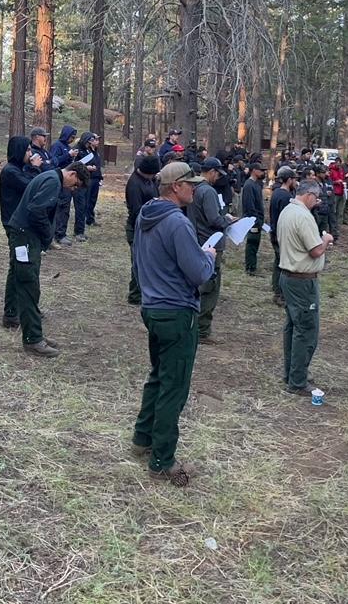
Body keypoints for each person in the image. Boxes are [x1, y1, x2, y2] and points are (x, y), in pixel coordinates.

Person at [130, 162, 216, 487]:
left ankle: (142, 438)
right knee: (174, 386)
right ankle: (162, 461)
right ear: (175, 187)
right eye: (191, 183)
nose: (195, 188)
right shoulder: (178, 223)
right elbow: (198, 273)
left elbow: (138, 261)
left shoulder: (146, 215)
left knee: (158, 375)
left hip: (152, 307)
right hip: (177, 312)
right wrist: (208, 255)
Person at [8, 162, 86, 356]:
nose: (73, 188)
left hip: (22, 234)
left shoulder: (50, 176)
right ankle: (33, 339)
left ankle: (11, 315)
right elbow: (36, 210)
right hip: (26, 236)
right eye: (76, 184)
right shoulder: (53, 181)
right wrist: (47, 236)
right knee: (28, 285)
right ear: (72, 173)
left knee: (17, 276)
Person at [278, 181, 334, 397]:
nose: (317, 202)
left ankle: (292, 373)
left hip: (289, 277)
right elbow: (316, 250)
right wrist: (326, 239)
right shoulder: (303, 216)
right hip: (302, 280)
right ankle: (298, 381)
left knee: (293, 327)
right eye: (316, 198)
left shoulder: (287, 211)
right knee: (306, 330)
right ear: (310, 195)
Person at [187, 159, 230, 344]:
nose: (218, 177)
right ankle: (202, 330)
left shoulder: (192, 188)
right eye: (218, 173)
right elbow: (214, 219)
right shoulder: (208, 191)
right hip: (210, 244)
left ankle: (193, 325)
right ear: (211, 171)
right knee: (210, 288)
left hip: (196, 241)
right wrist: (228, 221)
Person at [0, 136, 39, 328]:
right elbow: (31, 187)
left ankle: (17, 310)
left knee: (17, 266)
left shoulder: (17, 170)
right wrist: (34, 168)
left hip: (21, 224)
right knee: (17, 267)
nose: (31, 155)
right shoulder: (11, 172)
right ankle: (11, 312)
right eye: (28, 151)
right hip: (14, 226)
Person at [125, 155, 163, 306]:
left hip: (150, 226)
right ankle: (135, 295)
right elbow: (136, 211)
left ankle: (145, 292)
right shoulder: (134, 184)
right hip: (136, 228)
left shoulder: (150, 180)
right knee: (138, 262)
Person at [268, 167, 297, 304]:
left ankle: (276, 290)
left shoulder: (276, 193)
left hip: (274, 232)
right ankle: (280, 294)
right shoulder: (286, 197)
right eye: (294, 179)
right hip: (281, 235)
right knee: (283, 265)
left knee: (277, 263)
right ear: (289, 180)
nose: (296, 182)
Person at [48, 125, 79, 246]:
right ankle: (57, 234)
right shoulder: (57, 146)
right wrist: (68, 155)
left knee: (65, 208)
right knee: (60, 208)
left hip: (68, 182)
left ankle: (61, 233)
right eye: (71, 137)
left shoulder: (67, 147)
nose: (72, 139)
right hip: (60, 180)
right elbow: (54, 162)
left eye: (74, 137)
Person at [72, 132, 103, 239]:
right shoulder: (77, 150)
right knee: (81, 206)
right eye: (91, 140)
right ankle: (78, 232)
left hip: (88, 180)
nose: (93, 141)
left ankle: (81, 230)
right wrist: (87, 168)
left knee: (86, 204)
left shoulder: (89, 150)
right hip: (78, 182)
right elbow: (75, 165)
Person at [240, 161, 267, 276]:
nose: (262, 173)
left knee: (255, 243)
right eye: (261, 170)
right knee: (252, 243)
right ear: (254, 171)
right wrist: (255, 220)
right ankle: (250, 268)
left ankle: (253, 266)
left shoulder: (256, 184)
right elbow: (249, 205)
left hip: (257, 219)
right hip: (252, 221)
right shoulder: (249, 185)